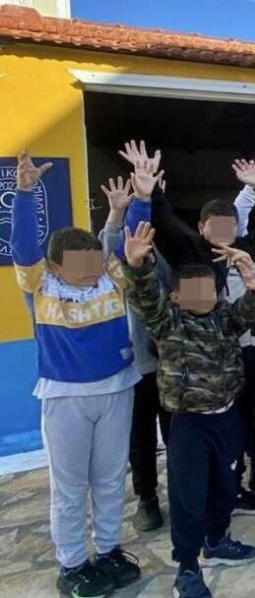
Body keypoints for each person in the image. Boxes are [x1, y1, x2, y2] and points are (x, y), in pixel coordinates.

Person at [119, 141, 255, 514]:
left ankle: (236, 485)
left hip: (244, 353)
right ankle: (194, 502)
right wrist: (151, 192)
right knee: (195, 440)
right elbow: (165, 223)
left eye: (230, 226)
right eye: (215, 226)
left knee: (247, 424)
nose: (224, 232)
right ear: (201, 227)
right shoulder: (188, 250)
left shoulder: (246, 249)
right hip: (196, 364)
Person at [11, 151, 142, 598]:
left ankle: (108, 549)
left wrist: (132, 205)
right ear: (55, 266)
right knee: (70, 487)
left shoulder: (111, 277)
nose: (88, 270)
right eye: (77, 263)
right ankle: (72, 564)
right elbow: (23, 247)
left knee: (109, 478)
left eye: (93, 260)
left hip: (117, 389)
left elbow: (129, 243)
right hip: (65, 397)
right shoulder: (40, 286)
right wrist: (25, 193)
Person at [123, 220, 255, 598]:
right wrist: (138, 267)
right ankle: (187, 566)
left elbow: (249, 308)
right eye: (194, 291)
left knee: (225, 489)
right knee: (188, 497)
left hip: (227, 418)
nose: (204, 296)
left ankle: (217, 540)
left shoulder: (226, 320)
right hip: (188, 425)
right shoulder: (167, 323)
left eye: (210, 290)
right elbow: (146, 298)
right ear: (175, 296)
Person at [98, 173, 172, 534]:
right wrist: (116, 213)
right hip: (136, 365)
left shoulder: (169, 249)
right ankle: (147, 499)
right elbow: (109, 249)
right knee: (140, 439)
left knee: (177, 436)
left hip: (172, 362)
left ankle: (183, 491)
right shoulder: (121, 252)